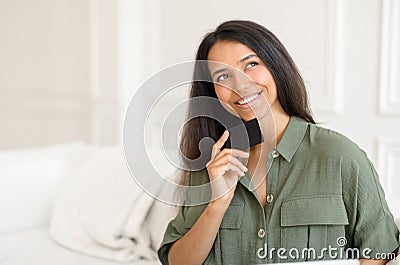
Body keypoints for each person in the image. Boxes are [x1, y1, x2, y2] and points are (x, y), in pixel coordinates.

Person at [157, 20, 399, 265]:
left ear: (275, 66)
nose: (240, 85)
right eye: (223, 76)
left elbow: (380, 252)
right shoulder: (213, 163)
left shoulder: (340, 157)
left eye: (251, 64)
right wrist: (217, 203)